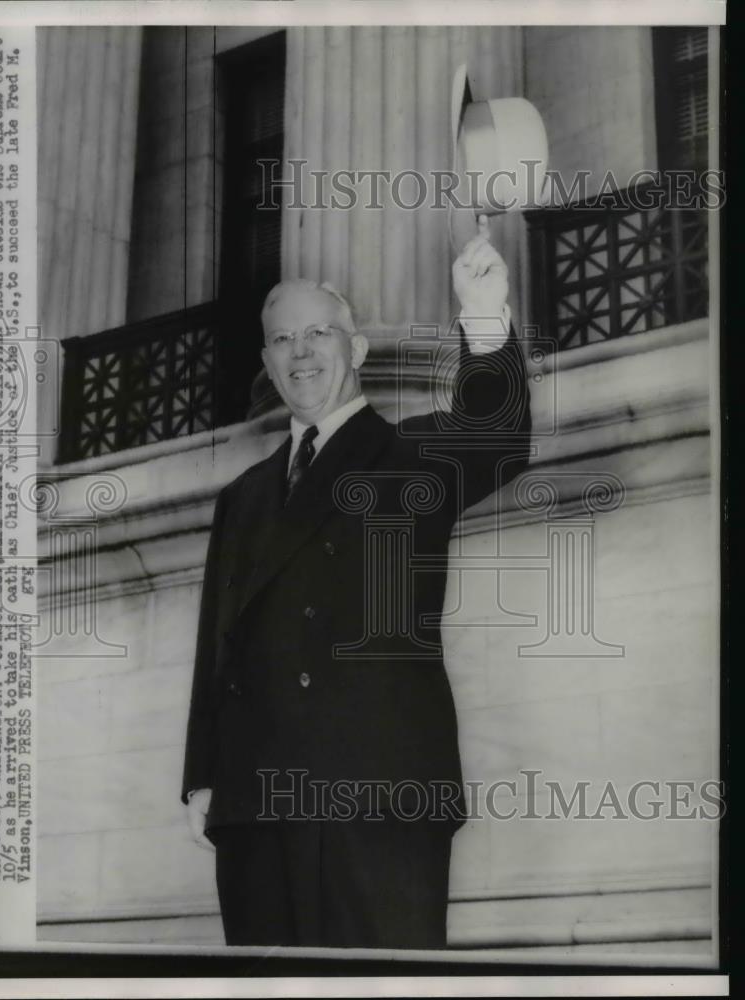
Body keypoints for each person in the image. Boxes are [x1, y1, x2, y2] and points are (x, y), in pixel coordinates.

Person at [181, 219, 532, 948]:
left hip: (377, 790)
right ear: (267, 364)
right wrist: (201, 778)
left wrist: (483, 318)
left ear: (357, 349)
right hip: (256, 800)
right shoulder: (240, 497)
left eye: (318, 334)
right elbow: (218, 647)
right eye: (282, 340)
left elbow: (497, 433)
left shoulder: (410, 453)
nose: (300, 352)